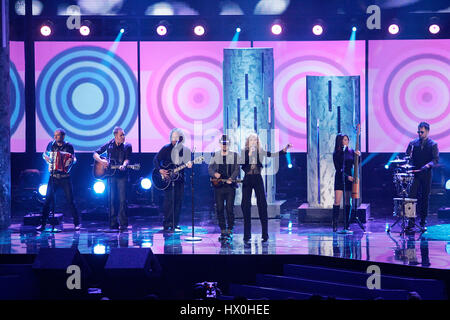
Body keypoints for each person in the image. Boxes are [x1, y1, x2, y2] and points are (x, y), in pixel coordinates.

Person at [240, 133, 291, 244]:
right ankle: (246, 235)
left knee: (262, 204)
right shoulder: (244, 152)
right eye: (251, 139)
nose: (253, 141)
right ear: (248, 142)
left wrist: (284, 150)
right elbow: (241, 163)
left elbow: (272, 155)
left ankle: (265, 234)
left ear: (257, 141)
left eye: (255, 139)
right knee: (245, 205)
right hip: (247, 179)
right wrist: (249, 154)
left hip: (257, 179)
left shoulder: (260, 151)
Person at [36, 128, 80, 231]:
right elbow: (44, 154)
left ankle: (77, 223)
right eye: (55, 135)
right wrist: (46, 158)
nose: (55, 137)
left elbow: (74, 159)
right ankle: (43, 224)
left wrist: (71, 161)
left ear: (63, 136)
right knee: (47, 201)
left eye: (58, 135)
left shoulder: (69, 146)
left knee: (70, 201)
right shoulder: (51, 145)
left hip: (65, 177)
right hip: (53, 177)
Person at [153, 128, 192, 232]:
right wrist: (160, 170)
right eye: (173, 137)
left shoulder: (185, 150)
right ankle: (167, 223)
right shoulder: (166, 148)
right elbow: (156, 159)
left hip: (180, 179)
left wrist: (189, 164)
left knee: (178, 201)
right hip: (168, 180)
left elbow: (188, 162)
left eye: (177, 137)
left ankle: (175, 224)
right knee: (169, 201)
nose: (175, 140)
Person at [93, 127, 132, 231]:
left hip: (122, 176)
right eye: (121, 135)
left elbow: (127, 159)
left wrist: (124, 165)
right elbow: (95, 153)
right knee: (112, 199)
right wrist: (101, 161)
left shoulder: (127, 146)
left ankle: (123, 223)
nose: (123, 137)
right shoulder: (109, 144)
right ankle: (113, 223)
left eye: (124, 135)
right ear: (115, 136)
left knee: (122, 200)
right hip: (111, 175)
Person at [406, 122, 439, 231]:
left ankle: (423, 221)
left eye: (422, 132)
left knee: (425, 198)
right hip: (415, 174)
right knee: (411, 197)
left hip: (426, 174)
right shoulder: (413, 143)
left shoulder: (433, 144)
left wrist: (428, 165)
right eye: (418, 132)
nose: (420, 134)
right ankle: (410, 222)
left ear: (427, 131)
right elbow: (407, 156)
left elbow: (435, 160)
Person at [208, 135, 240, 242]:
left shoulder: (234, 155)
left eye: (226, 143)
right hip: (218, 186)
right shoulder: (215, 155)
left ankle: (230, 229)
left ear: (229, 144)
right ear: (220, 144)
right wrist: (215, 174)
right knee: (219, 209)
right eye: (222, 143)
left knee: (230, 209)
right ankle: (222, 230)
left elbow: (236, 169)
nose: (224, 145)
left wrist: (232, 178)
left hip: (230, 186)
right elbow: (210, 169)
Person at [332, 134, 360, 232]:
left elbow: (356, 164)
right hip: (340, 178)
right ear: (340, 141)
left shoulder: (351, 151)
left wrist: (358, 156)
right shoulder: (336, 153)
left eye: (347, 139)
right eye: (344, 140)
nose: (347, 141)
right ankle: (334, 224)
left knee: (348, 201)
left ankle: (346, 224)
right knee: (337, 201)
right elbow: (338, 168)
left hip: (350, 178)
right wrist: (346, 176)